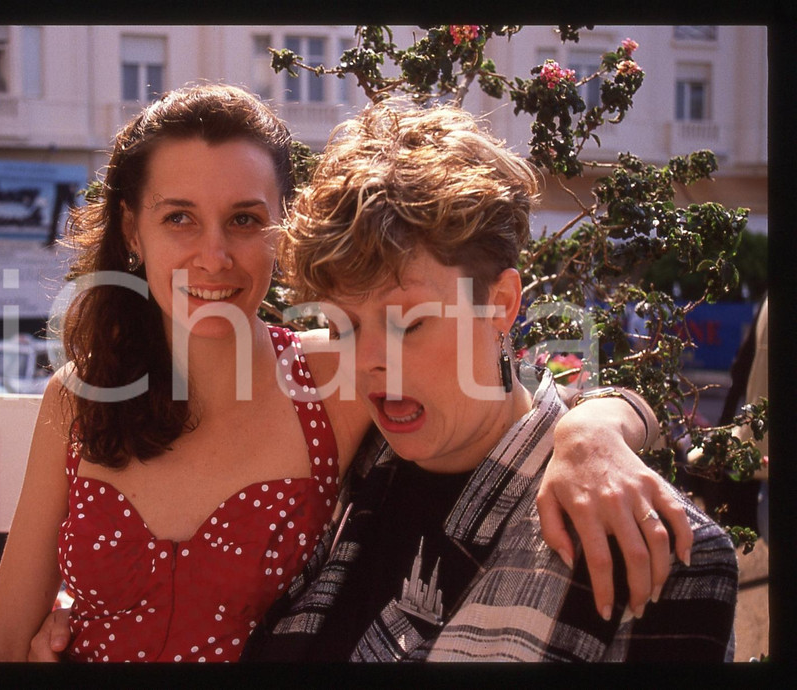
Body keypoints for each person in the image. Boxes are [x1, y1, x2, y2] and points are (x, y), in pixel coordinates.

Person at [0, 84, 690, 664]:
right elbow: (2, 638)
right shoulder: (80, 398)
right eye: (180, 218)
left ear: (283, 229)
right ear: (133, 231)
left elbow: (496, 387)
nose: (214, 255)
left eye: (246, 220)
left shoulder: (337, 373)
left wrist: (598, 427)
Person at [239, 102, 738, 661]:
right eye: (344, 323)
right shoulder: (344, 459)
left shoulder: (648, 555)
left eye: (411, 322)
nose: (370, 361)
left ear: (500, 303)